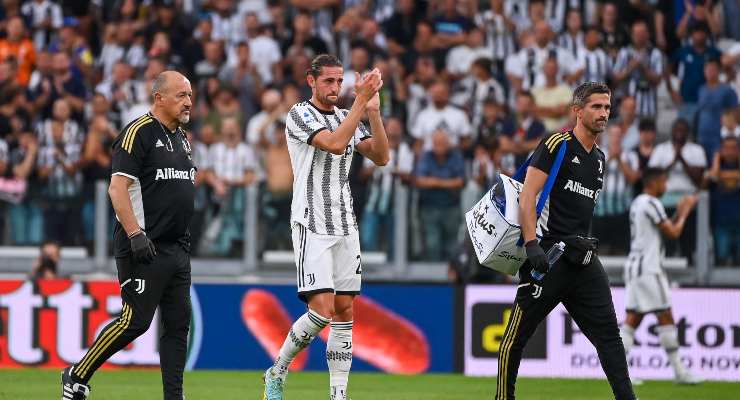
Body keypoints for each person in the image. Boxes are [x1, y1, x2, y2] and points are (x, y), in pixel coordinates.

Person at [60, 71, 196, 400]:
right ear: (159, 98)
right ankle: (76, 374)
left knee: (178, 325)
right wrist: (135, 234)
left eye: (190, 95)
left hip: (177, 247)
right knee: (135, 320)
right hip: (144, 245)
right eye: (181, 95)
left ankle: (174, 397)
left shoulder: (182, 138)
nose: (189, 102)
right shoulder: (137, 133)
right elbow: (117, 188)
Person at [496, 82, 635, 400]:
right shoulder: (556, 144)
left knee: (609, 336)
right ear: (577, 111)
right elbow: (528, 195)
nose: (604, 113)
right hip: (549, 256)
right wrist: (531, 244)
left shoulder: (599, 158)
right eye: (596, 106)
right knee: (515, 339)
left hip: (582, 259)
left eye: (607, 107)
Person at [263, 54, 388, 400]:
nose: (335, 87)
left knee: (345, 310)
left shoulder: (349, 115)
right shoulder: (299, 114)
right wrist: (360, 102)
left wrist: (373, 112)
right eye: (328, 81)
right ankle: (277, 370)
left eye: (339, 81)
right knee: (322, 312)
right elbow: (333, 145)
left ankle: (338, 394)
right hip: (312, 221)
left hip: (345, 223)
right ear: (312, 81)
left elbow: (381, 157)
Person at [620, 168, 703, 384]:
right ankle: (680, 372)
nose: (666, 186)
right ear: (654, 182)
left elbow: (662, 229)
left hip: (636, 267)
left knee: (633, 318)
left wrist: (678, 212)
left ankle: (620, 373)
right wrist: (685, 212)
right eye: (664, 182)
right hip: (649, 269)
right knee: (665, 315)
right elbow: (673, 232)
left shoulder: (638, 202)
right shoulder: (652, 203)